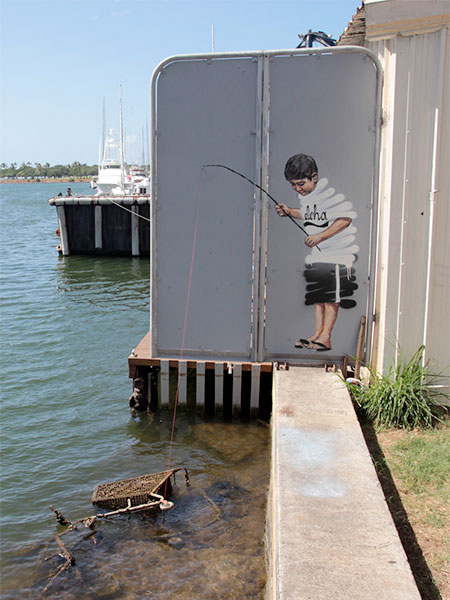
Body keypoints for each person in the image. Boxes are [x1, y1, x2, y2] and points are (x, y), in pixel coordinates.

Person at [275, 153, 358, 351]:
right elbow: (308, 215)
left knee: (330, 299)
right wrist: (289, 211)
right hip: (319, 257)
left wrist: (320, 237)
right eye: (293, 185)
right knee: (319, 298)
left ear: (314, 177)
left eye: (301, 183)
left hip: (335, 257)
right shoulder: (310, 199)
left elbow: (344, 219)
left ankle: (326, 337)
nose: (297, 188)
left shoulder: (329, 196)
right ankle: (317, 333)